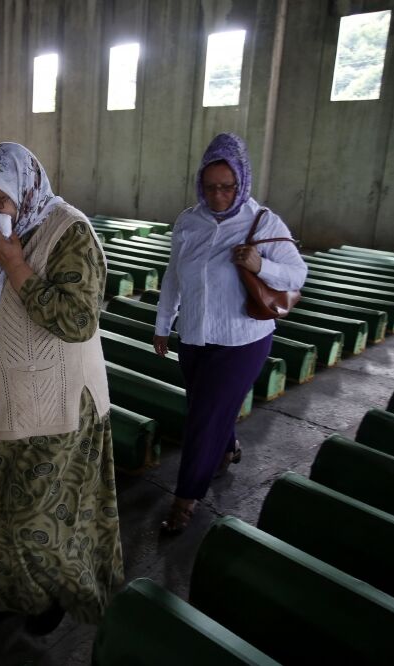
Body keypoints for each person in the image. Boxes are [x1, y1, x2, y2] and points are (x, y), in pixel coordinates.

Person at [0, 142, 124, 635]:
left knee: (38, 518)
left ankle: (46, 597)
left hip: (54, 403)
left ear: (25, 187)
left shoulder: (70, 232)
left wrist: (15, 264)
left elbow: (77, 321)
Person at [153, 132, 307, 533]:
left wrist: (260, 266)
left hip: (243, 340)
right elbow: (174, 276)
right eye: (210, 187)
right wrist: (163, 324)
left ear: (242, 182)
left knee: (202, 419)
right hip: (195, 338)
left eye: (227, 186)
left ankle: (185, 499)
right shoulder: (189, 221)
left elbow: (297, 273)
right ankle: (228, 447)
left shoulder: (263, 222)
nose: (219, 195)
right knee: (208, 408)